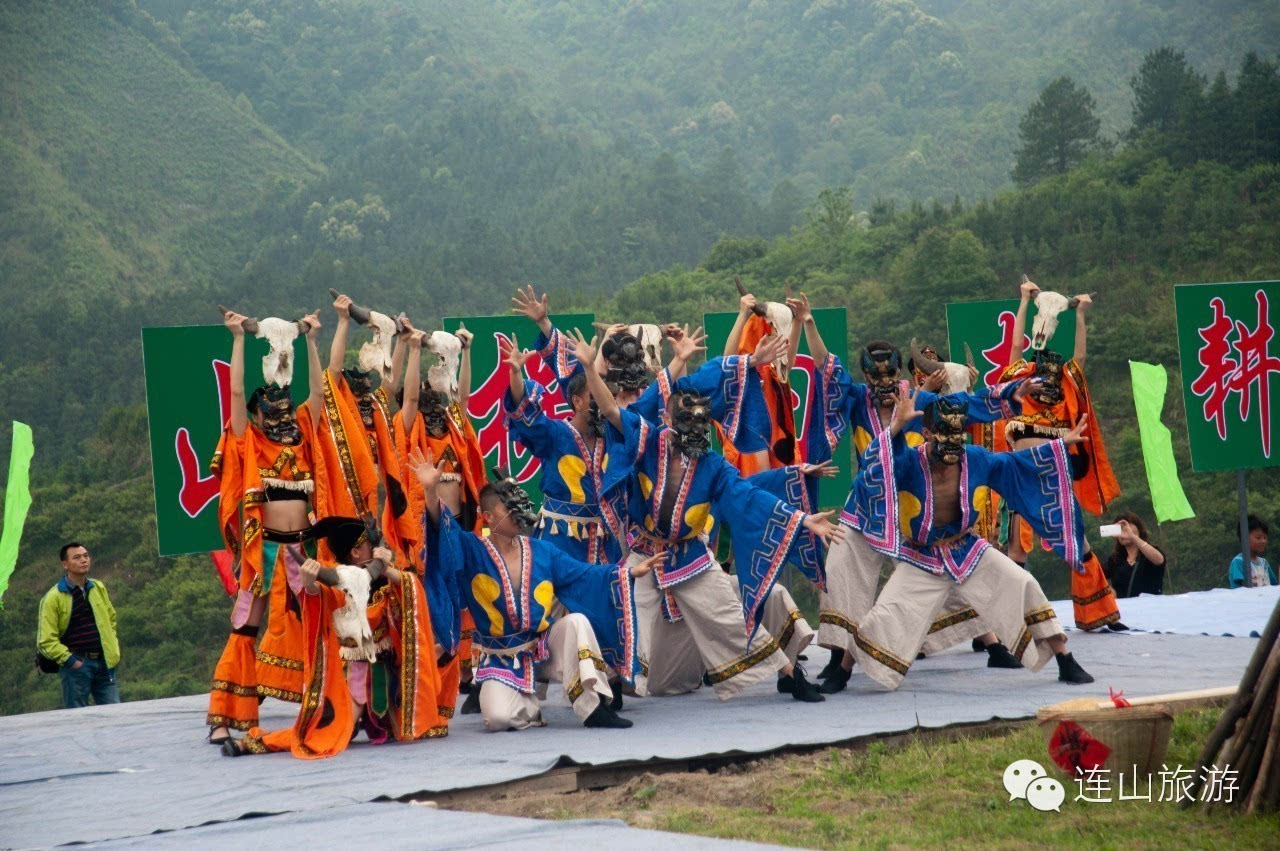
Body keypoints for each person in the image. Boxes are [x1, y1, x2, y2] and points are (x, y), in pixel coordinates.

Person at [573, 330, 844, 703]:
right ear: (668, 415)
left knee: (729, 616)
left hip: (690, 556)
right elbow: (609, 410)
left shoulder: (713, 466)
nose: (694, 428)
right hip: (645, 553)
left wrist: (799, 519)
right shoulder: (647, 440)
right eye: (686, 418)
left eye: (701, 420)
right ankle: (615, 689)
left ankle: (788, 674)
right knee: (629, 610)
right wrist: (589, 368)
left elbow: (747, 497)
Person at [847, 389, 1095, 690]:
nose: (953, 442)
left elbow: (1015, 464)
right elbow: (871, 475)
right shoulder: (908, 463)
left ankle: (1065, 660)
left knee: (1024, 584)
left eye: (957, 434)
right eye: (943, 434)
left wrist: (1058, 446)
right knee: (884, 615)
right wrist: (896, 427)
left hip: (968, 549)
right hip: (922, 556)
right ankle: (843, 670)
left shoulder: (974, 458)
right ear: (925, 433)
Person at [411, 453, 662, 732]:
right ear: (489, 516)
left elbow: (584, 575)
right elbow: (443, 538)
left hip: (542, 648)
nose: (519, 514)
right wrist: (431, 491)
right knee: (498, 719)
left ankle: (594, 707)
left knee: (577, 622)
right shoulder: (472, 549)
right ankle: (527, 704)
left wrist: (627, 573)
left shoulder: (541, 551)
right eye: (510, 509)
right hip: (500, 657)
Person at [206, 308, 326, 744]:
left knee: (319, 626)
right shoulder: (250, 442)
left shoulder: (305, 438)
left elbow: (318, 391)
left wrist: (311, 340)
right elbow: (236, 392)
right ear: (257, 417)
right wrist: (238, 338)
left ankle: (322, 706)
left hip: (305, 552)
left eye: (286, 408)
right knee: (244, 627)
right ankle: (226, 717)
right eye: (271, 410)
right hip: (265, 552)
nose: (282, 414)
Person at [1001, 279, 1125, 632]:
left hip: (1055, 481)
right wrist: (1023, 302)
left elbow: (1080, 359)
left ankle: (1099, 613)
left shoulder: (1063, 399)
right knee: (1017, 552)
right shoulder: (1021, 388)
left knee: (1080, 546)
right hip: (1024, 483)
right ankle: (1015, 620)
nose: (1048, 385)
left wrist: (1080, 316)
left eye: (1054, 382)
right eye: (1043, 379)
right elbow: (1015, 347)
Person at [37, 543, 121, 708]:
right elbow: (45, 640)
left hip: (104, 663)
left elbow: (111, 618)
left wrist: (112, 647)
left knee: (115, 713)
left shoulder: (97, 587)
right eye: (77, 557)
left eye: (86, 556)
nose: (84, 560)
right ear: (65, 564)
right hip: (77, 665)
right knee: (77, 719)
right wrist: (71, 661)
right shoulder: (54, 597)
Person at [1103, 513, 1167, 597]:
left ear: (1139, 529)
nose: (1123, 531)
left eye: (1126, 526)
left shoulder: (1150, 553)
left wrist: (1132, 537)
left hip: (1151, 607)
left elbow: (1159, 560)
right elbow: (1096, 576)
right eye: (1119, 529)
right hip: (1126, 609)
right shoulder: (1115, 560)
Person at [1229, 515, 1277, 588]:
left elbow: (1274, 586)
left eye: (1265, 537)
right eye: (1258, 538)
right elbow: (1245, 591)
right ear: (1244, 538)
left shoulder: (1264, 563)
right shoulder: (1239, 562)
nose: (1263, 541)